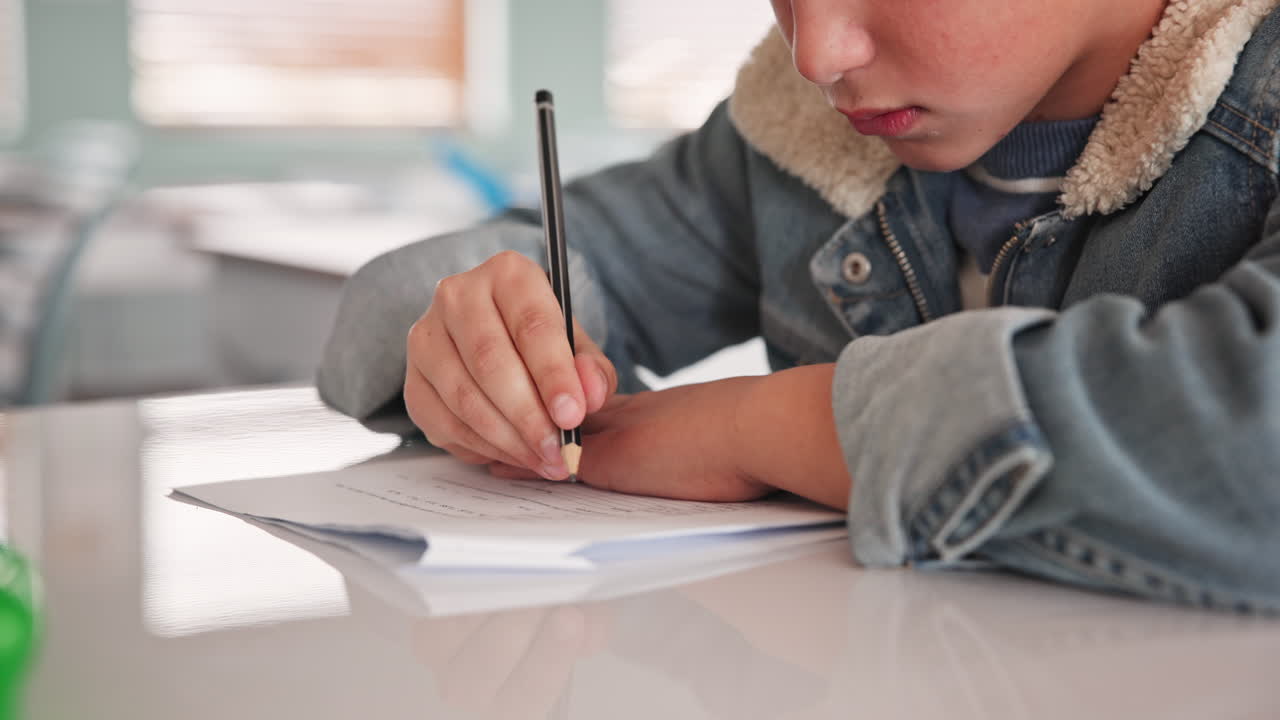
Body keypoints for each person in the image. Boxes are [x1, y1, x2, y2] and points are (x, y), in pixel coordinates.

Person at [318, 0, 1280, 612]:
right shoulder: (793, 135)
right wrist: (481, 329)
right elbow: (393, 302)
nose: (816, 51)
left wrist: (765, 427)